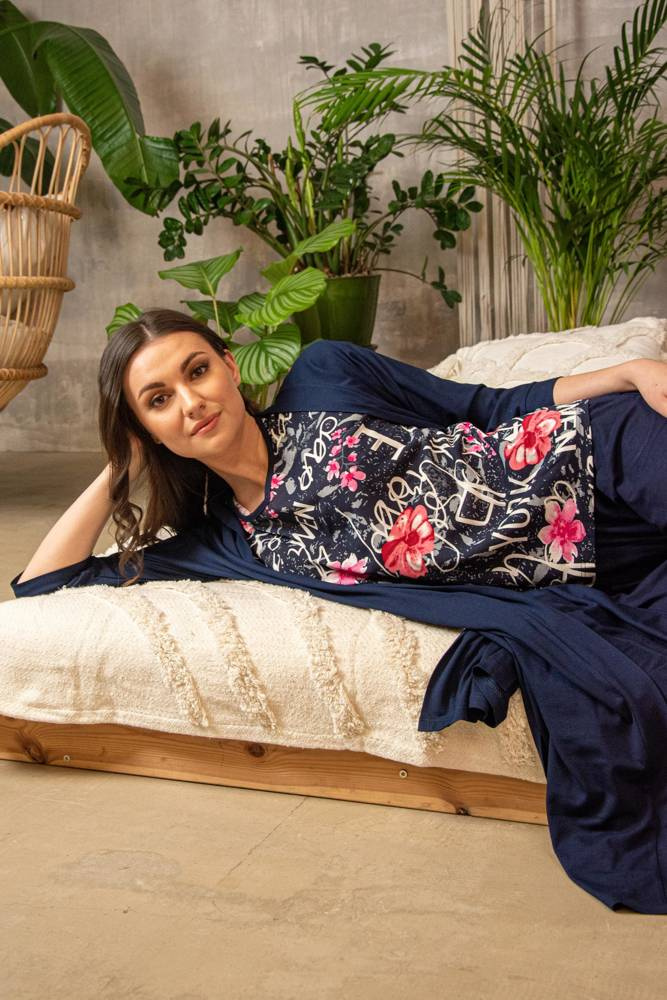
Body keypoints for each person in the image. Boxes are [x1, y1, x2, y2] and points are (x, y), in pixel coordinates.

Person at [11, 307, 667, 598]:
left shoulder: (325, 373)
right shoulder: (231, 541)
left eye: (197, 371)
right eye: (158, 400)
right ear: (148, 429)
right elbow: (44, 583)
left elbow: (484, 407)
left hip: (598, 451)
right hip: (598, 562)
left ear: (230, 368)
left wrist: (627, 372)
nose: (190, 402)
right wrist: (121, 463)